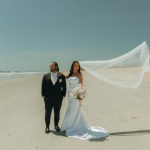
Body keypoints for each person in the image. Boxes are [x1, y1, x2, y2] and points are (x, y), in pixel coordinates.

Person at [58, 61, 109, 140]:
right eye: (75, 65)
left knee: (74, 110)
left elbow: (81, 85)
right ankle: (68, 126)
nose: (77, 67)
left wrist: (80, 97)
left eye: (78, 66)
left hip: (75, 93)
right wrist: (60, 74)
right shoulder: (70, 74)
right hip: (69, 93)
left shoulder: (79, 74)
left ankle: (72, 126)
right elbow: (64, 77)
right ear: (72, 66)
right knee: (71, 109)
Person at [41, 62, 66, 134]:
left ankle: (56, 126)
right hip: (48, 99)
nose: (50, 67)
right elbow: (43, 87)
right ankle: (47, 127)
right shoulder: (46, 76)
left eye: (52, 66)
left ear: (56, 67)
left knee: (57, 113)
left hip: (58, 99)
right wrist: (43, 96)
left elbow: (64, 87)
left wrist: (63, 96)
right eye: (50, 66)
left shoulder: (61, 76)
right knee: (47, 113)